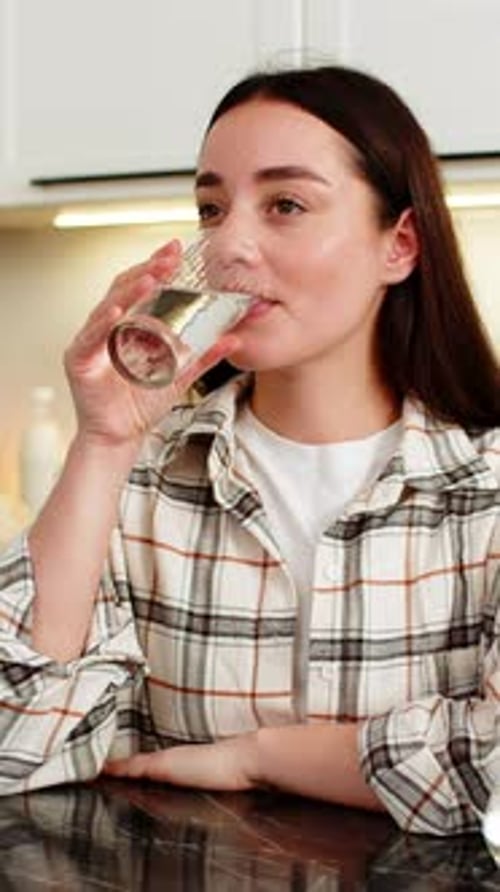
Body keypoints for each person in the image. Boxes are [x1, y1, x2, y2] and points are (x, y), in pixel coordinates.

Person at [0, 65, 499, 837]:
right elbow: (12, 746)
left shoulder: (488, 487)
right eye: (211, 207)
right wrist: (103, 444)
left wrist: (258, 757)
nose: (229, 243)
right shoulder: (141, 484)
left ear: (399, 246)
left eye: (286, 205)